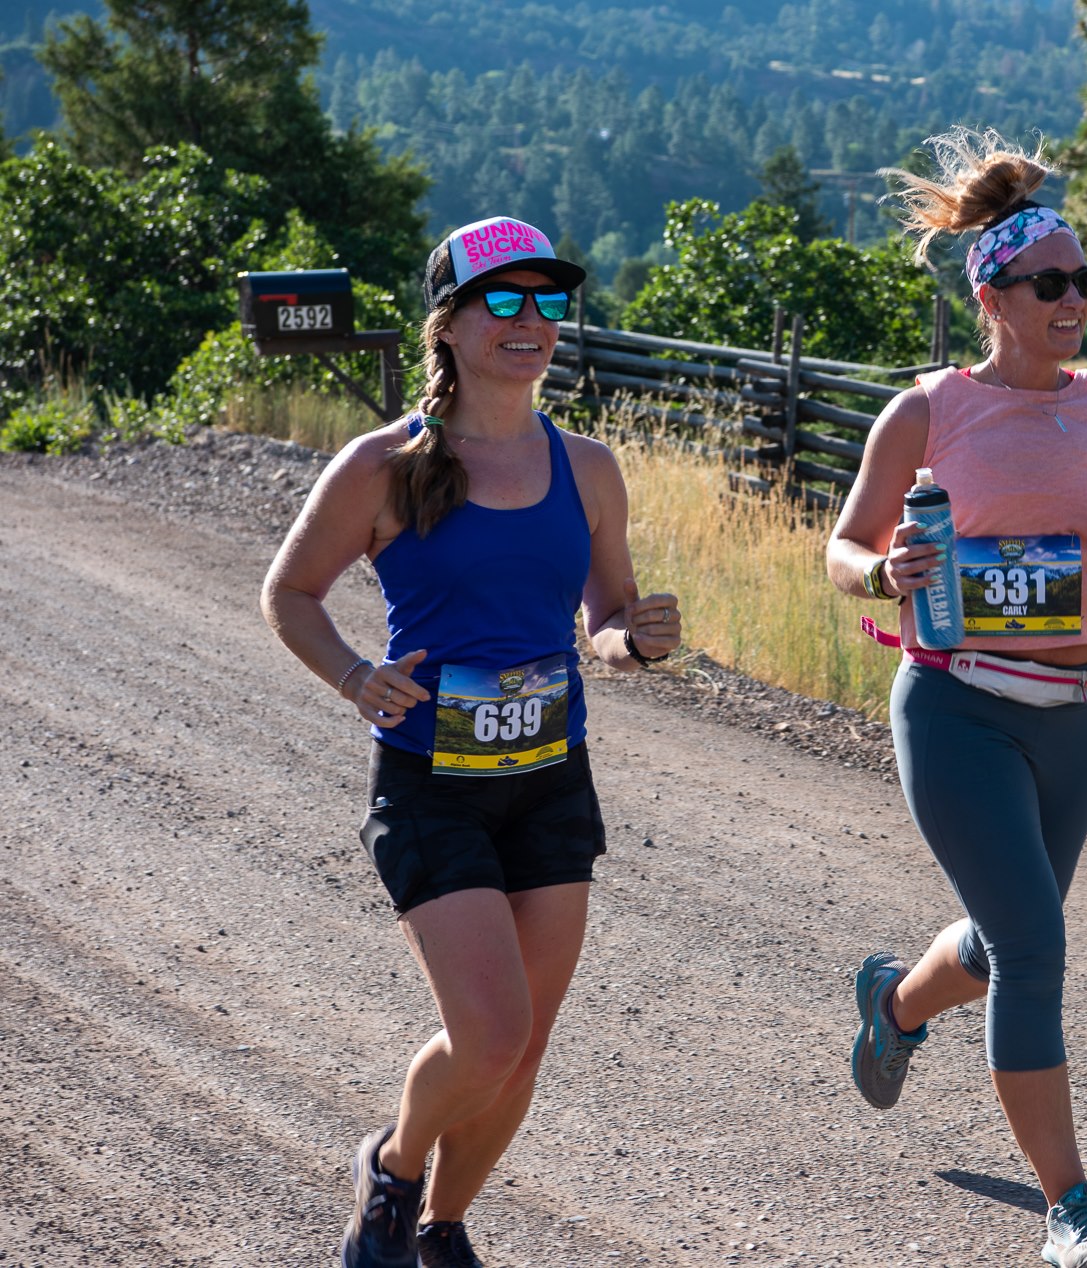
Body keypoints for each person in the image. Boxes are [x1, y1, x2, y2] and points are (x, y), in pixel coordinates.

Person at [260, 215, 682, 1268]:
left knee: (524, 1044)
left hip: (550, 777)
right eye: (504, 300)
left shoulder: (587, 465)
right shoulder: (387, 463)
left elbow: (607, 616)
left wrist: (635, 638)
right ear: (446, 324)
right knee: (488, 1030)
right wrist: (356, 674)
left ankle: (444, 1226)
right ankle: (394, 1170)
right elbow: (291, 592)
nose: (531, 321)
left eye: (548, 301)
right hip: (431, 783)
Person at [827, 129, 1087, 1268]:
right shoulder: (928, 411)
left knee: (1004, 945)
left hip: (1077, 713)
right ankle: (1073, 1206)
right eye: (1052, 281)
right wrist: (879, 571)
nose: (1075, 299)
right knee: (1034, 945)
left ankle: (895, 1003)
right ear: (991, 291)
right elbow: (843, 545)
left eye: (1086, 281)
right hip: (954, 708)